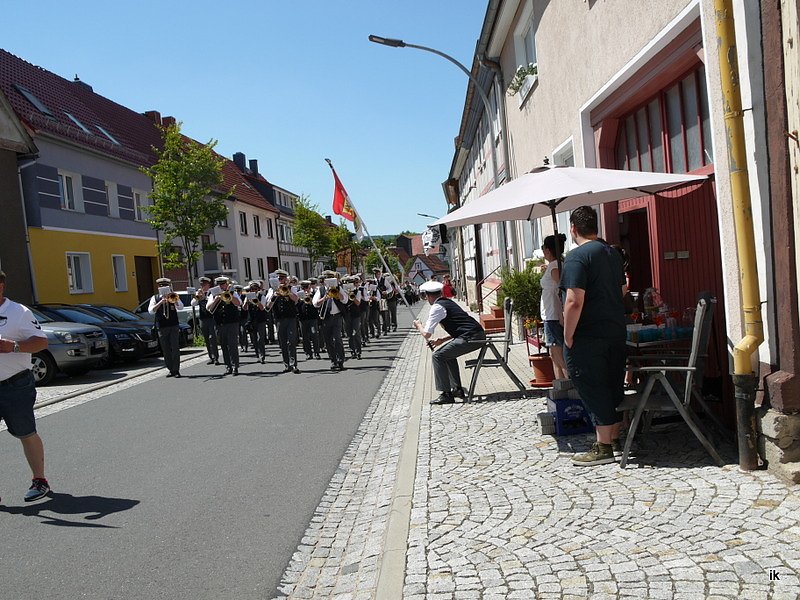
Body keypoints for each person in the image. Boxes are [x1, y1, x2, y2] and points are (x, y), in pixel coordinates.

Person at [560, 206, 627, 466]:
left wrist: (568, 335)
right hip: (615, 330)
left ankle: (603, 447)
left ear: (573, 228)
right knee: (613, 385)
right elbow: (623, 288)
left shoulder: (577, 257)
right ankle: (616, 438)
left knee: (592, 385)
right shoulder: (611, 253)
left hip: (588, 335)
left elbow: (574, 300)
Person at [0, 270, 52, 502]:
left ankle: (39, 480)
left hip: (15, 384)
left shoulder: (18, 312)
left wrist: (14, 347)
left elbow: (41, 341)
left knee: (25, 432)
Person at [413, 280, 486, 405]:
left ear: (428, 295)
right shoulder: (447, 302)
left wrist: (419, 325)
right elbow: (459, 327)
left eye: (424, 296)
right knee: (446, 354)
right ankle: (457, 389)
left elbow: (426, 334)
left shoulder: (437, 307)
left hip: (471, 337)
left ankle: (445, 394)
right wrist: (442, 340)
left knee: (438, 356)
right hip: (476, 334)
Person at [540, 234, 568, 380]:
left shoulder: (554, 268)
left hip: (553, 315)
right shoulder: (555, 265)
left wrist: (563, 313)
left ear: (548, 250)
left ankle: (570, 384)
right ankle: (559, 386)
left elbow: (563, 289)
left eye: (543, 248)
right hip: (550, 314)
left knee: (557, 354)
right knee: (554, 354)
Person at [148, 277, 184, 378]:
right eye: (161, 286)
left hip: (173, 325)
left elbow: (181, 307)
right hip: (162, 326)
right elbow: (151, 311)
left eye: (165, 286)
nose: (163, 287)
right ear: (158, 287)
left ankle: (176, 369)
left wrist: (174, 300)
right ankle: (170, 369)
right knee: (166, 348)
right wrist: (160, 302)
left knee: (175, 347)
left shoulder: (173, 296)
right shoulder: (154, 298)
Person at [266, 269, 300, 374]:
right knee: (283, 342)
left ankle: (293, 364)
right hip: (279, 319)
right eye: (278, 279)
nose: (280, 280)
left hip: (291, 318)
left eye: (281, 278)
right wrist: (274, 296)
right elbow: (268, 307)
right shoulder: (271, 291)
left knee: (291, 341)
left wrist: (287, 292)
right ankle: (286, 364)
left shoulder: (291, 288)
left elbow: (296, 299)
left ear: (286, 279)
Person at [314, 271, 349, 371]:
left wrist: (338, 294)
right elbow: (315, 303)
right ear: (324, 281)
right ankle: (333, 360)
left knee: (337, 339)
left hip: (337, 317)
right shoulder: (320, 290)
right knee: (328, 341)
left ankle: (340, 360)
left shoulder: (338, 288)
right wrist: (324, 298)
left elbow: (345, 300)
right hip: (326, 318)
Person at [208, 276, 242, 376]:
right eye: (219, 285)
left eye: (223, 284)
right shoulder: (213, 294)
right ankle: (228, 366)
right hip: (220, 323)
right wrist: (216, 299)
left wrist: (230, 296)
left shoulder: (232, 292)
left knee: (232, 345)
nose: (221, 286)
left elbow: (238, 303)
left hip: (232, 323)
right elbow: (209, 309)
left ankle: (235, 366)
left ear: (227, 284)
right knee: (224, 345)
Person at [192, 276, 219, 365]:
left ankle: (216, 357)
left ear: (208, 285)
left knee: (212, 338)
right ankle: (211, 357)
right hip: (203, 318)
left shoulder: (212, 293)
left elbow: (210, 304)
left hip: (212, 318)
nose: (203, 286)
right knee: (207, 338)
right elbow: (192, 303)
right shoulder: (198, 293)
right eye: (201, 284)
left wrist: (204, 297)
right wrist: (198, 296)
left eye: (204, 284)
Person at [246, 281, 269, 364]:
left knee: (260, 338)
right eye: (252, 289)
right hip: (252, 320)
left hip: (261, 320)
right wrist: (246, 301)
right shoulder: (248, 297)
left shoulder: (262, 297)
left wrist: (256, 300)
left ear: (258, 289)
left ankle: (262, 356)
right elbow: (244, 308)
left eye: (255, 289)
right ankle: (258, 355)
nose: (254, 290)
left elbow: (262, 308)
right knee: (254, 339)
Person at [297, 280, 321, 360]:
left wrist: (310, 298)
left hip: (312, 318)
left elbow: (316, 305)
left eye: (306, 287)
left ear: (309, 287)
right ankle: (308, 353)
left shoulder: (314, 294)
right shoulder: (298, 294)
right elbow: (296, 306)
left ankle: (317, 352)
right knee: (305, 337)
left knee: (314, 334)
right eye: (303, 287)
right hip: (302, 318)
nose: (305, 289)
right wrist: (299, 299)